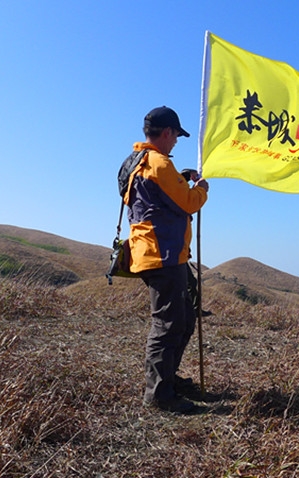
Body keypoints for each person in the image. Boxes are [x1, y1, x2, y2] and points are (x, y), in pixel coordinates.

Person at [122, 106, 209, 413]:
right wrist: (200, 189)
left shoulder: (138, 161)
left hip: (157, 252)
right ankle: (159, 395)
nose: (176, 143)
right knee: (168, 324)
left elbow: (154, 196)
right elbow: (187, 203)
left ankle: (168, 380)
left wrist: (180, 178)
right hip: (163, 254)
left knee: (183, 319)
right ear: (167, 132)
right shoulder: (158, 163)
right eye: (176, 136)